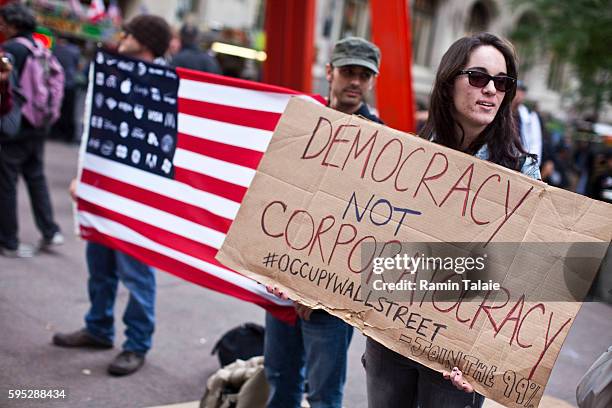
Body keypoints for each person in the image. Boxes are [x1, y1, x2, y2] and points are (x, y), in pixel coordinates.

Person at [363, 32, 540, 408]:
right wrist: (304, 284)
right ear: (448, 83)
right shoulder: (408, 155)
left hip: (459, 357)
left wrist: (487, 355)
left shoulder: (522, 175)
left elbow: (532, 272)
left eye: (502, 82)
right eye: (478, 77)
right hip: (391, 336)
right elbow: (367, 234)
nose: (491, 90)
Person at [265, 37, 383, 408]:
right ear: (329, 71)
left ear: (372, 82)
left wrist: (316, 292)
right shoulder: (302, 122)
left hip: (330, 298)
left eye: (364, 75)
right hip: (282, 281)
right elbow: (277, 195)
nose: (355, 82)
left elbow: (367, 227)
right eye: (348, 71)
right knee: (280, 379)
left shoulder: (383, 143)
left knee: (324, 394)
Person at [52, 14, 172, 377]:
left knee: (136, 271)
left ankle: (137, 344)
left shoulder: (166, 83)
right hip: (105, 188)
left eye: (129, 33)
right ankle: (99, 326)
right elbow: (101, 135)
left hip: (139, 196)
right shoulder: (117, 72)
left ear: (146, 42)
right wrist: (84, 179)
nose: (122, 37)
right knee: (99, 262)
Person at [0, 2, 64, 258]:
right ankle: (51, 230)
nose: (1, 26)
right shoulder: (41, 47)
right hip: (40, 122)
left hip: (16, 123)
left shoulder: (13, 49)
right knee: (36, 176)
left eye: (4, 22)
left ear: (14, 24)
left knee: (6, 181)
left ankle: (8, 239)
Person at [51, 37, 80, 143]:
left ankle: (55, 132)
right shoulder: (74, 50)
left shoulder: (55, 49)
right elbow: (76, 65)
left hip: (57, 83)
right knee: (68, 111)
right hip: (69, 83)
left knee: (57, 107)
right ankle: (68, 135)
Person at [512, 80, 543, 165]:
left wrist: (530, 165)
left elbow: (536, 145)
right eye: (516, 91)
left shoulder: (530, 116)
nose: (519, 96)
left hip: (522, 163)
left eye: (522, 92)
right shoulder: (501, 112)